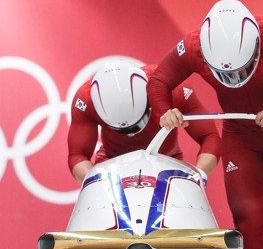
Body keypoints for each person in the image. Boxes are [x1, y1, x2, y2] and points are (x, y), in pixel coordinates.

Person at [147, 0, 263, 249]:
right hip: (243, 137)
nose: (234, 79)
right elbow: (159, 81)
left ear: (256, 47)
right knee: (247, 223)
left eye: (242, 70)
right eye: (225, 74)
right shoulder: (193, 46)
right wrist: (166, 111)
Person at [68, 59, 221, 183]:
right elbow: (78, 155)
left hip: (167, 161)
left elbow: (209, 136)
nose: (131, 132)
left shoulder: (172, 87)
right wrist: (96, 181)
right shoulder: (86, 100)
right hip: (111, 165)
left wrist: (198, 176)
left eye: (138, 123)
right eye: (123, 130)